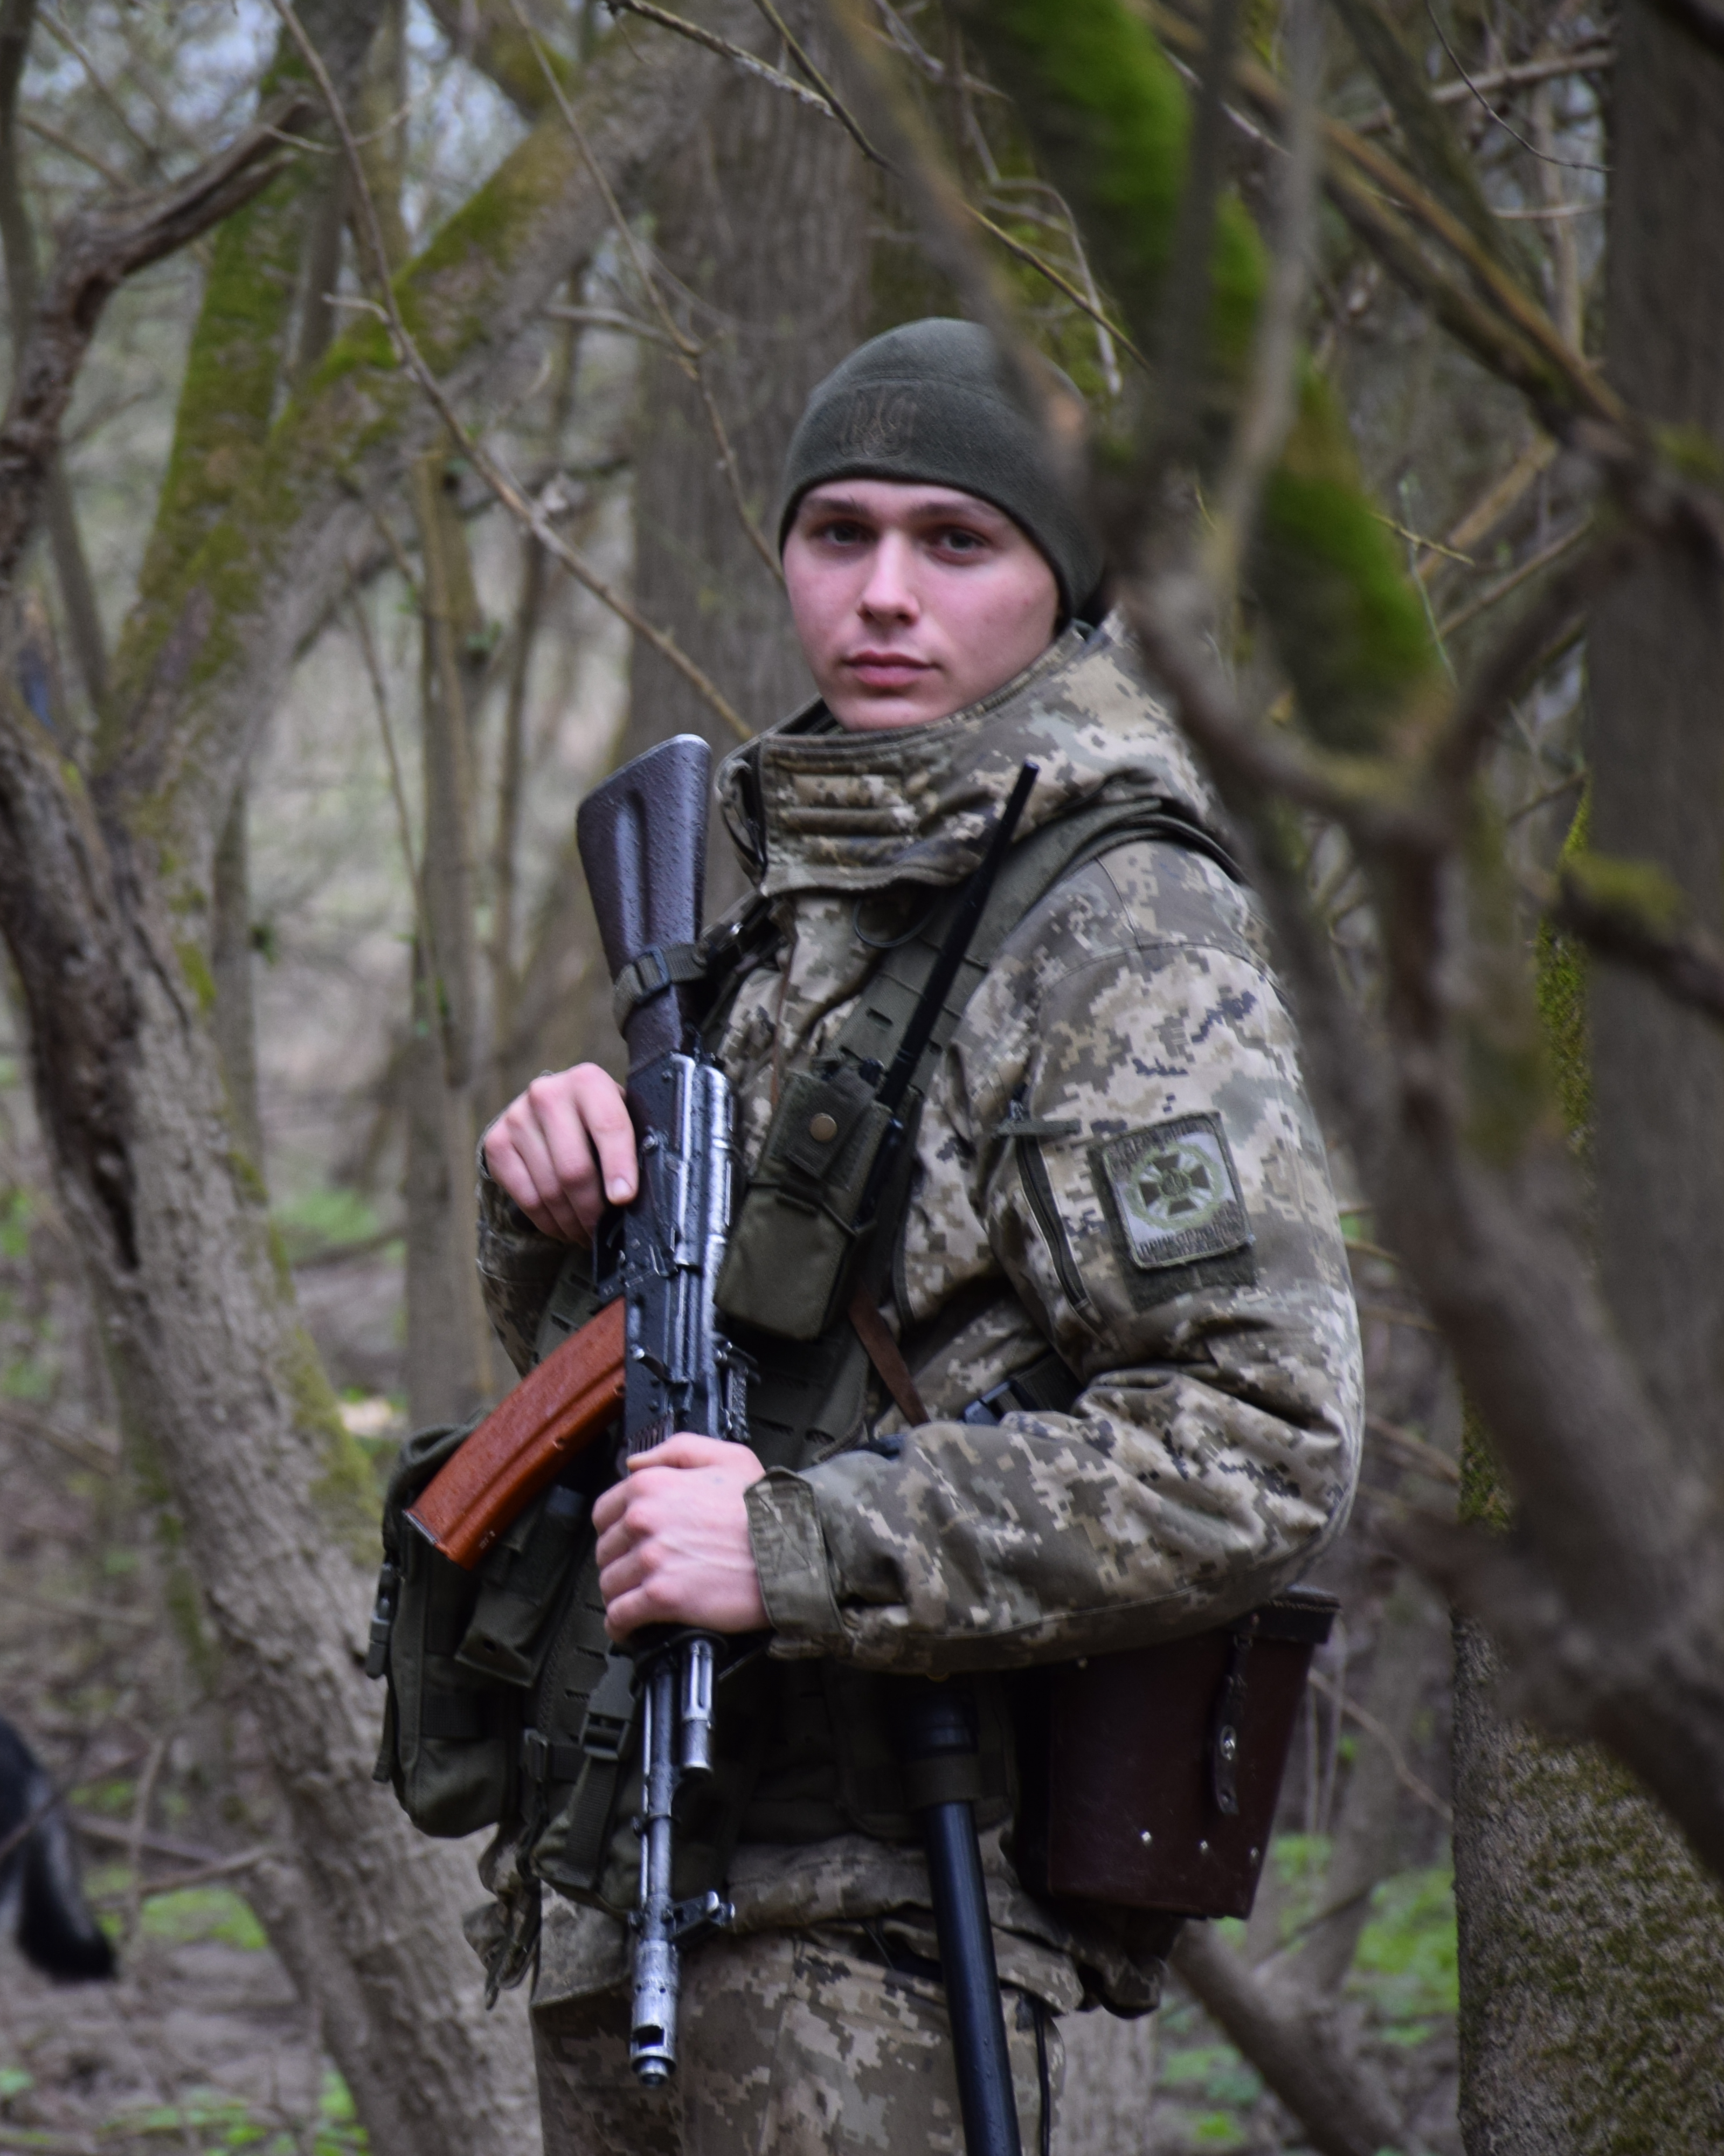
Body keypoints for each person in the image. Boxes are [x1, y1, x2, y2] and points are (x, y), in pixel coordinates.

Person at [471, 321, 1360, 2153]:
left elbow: (1257, 1441)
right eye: (840, 534)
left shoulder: (1117, 927)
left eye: (956, 542)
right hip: (650, 1889)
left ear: (1061, 582)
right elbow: (709, 1393)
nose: (884, 595)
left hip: (882, 1928)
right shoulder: (800, 904)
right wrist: (554, 1218)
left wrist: (799, 1549)